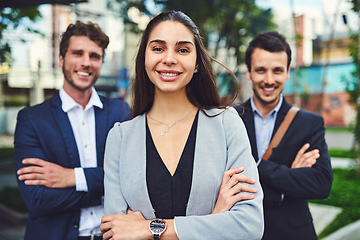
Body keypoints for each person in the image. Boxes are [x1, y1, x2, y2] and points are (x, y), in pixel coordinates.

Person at [100, 10, 264, 240]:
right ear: (144, 59)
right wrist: (215, 218)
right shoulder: (120, 137)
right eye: (158, 48)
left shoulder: (227, 124)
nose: (169, 58)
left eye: (183, 50)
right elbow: (115, 232)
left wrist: (149, 229)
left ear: (196, 62)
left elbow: (250, 226)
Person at [14, 21, 130, 240]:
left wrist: (71, 176)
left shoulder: (122, 113)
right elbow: (37, 199)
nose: (86, 63)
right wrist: (106, 188)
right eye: (78, 53)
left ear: (102, 62)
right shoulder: (32, 120)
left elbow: (133, 178)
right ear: (61, 59)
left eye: (94, 56)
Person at [235, 31, 333, 240]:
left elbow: (321, 183)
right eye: (261, 70)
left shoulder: (309, 123)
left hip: (293, 233)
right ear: (249, 72)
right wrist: (289, 177)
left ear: (288, 72)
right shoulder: (229, 119)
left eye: (277, 71)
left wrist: (256, 165)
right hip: (240, 232)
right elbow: (219, 182)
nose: (269, 80)